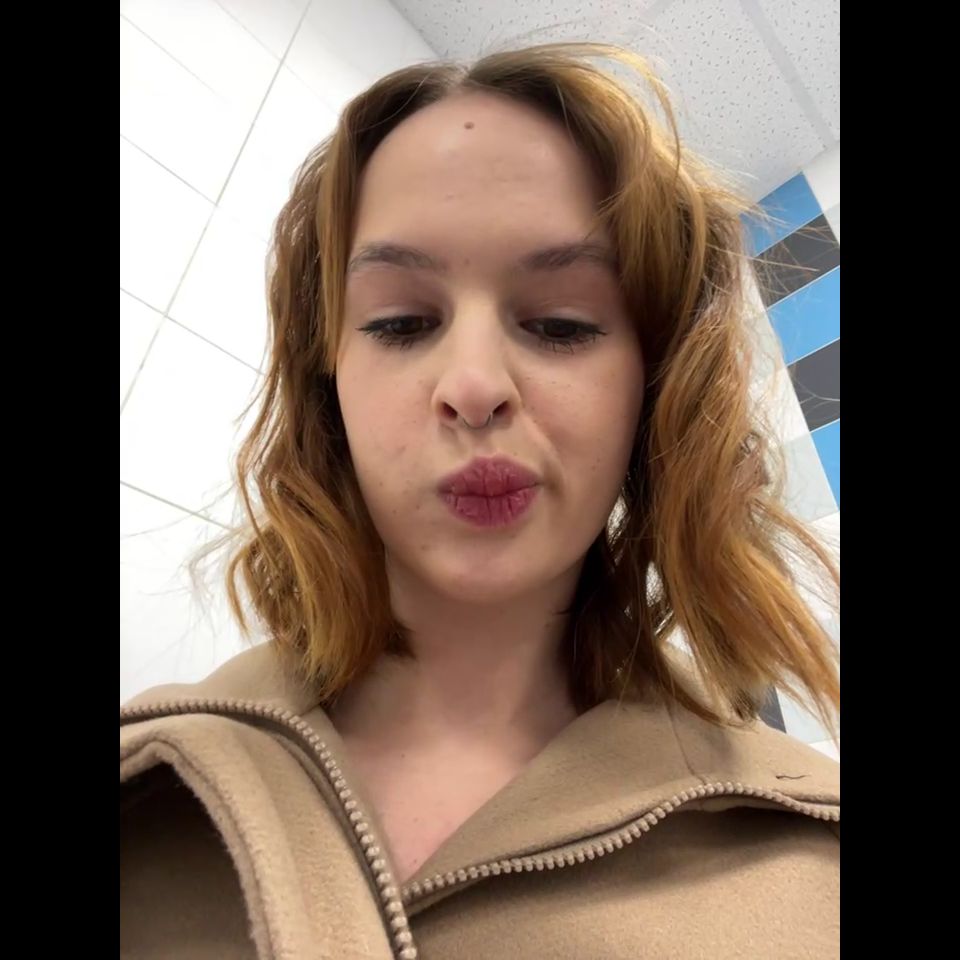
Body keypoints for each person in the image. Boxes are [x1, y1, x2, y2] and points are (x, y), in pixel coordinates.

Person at [120, 42, 839, 960]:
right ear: (328, 379)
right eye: (400, 322)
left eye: (561, 324)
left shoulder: (811, 867)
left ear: (653, 389)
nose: (472, 386)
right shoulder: (149, 777)